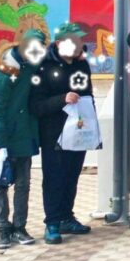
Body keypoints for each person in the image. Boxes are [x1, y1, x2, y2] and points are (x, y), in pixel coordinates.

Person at [28, 22, 94, 245]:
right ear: (58, 43)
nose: (79, 45)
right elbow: (36, 105)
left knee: (72, 176)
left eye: (80, 40)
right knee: (54, 178)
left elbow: (87, 95)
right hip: (54, 134)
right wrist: (62, 99)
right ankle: (52, 222)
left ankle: (67, 216)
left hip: (78, 132)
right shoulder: (43, 67)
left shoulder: (81, 65)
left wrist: (90, 124)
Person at [0, 29, 46, 248]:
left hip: (24, 137)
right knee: (0, 185)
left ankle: (20, 227)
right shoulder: (4, 74)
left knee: (23, 185)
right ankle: (3, 229)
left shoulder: (31, 68)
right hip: (5, 140)